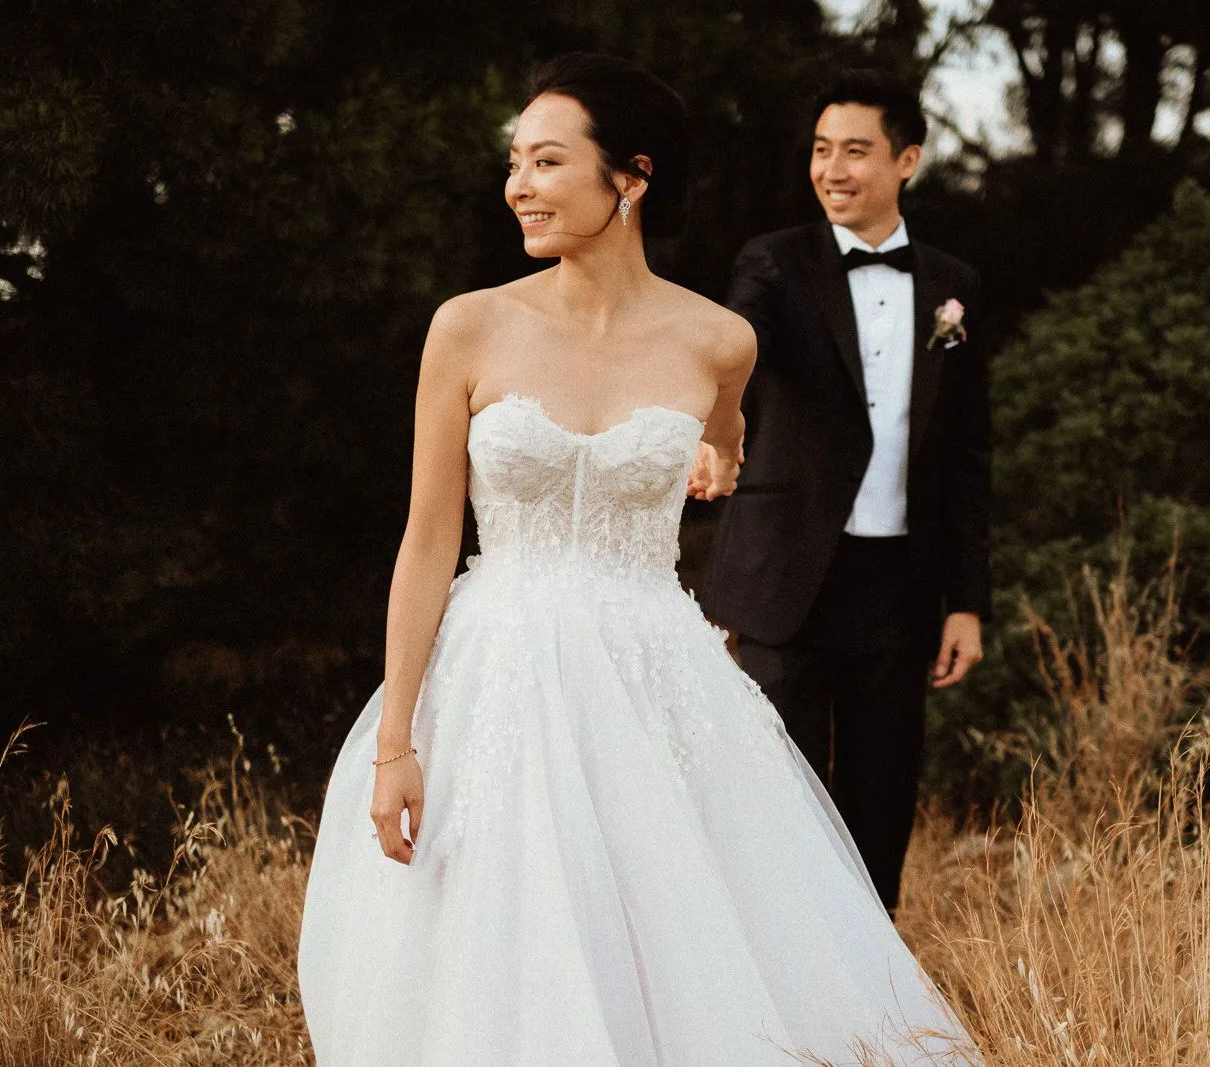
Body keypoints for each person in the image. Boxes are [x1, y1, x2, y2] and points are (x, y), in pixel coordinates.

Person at [296, 53, 981, 1066]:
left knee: (680, 928)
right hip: (499, 670)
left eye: (545, 161)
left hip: (652, 669)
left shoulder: (718, 343)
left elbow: (731, 448)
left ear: (629, 177)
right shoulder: (469, 326)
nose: (518, 185)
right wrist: (396, 737)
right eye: (515, 163)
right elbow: (427, 537)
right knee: (501, 930)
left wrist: (713, 462)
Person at [700, 69, 992, 917]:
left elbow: (970, 453)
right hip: (787, 579)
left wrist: (966, 601)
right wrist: (712, 420)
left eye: (856, 152)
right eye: (822, 151)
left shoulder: (954, 287)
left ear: (908, 160)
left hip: (901, 586)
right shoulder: (775, 260)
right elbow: (734, 340)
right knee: (775, 795)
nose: (832, 169)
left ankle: (871, 1008)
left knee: (880, 801)